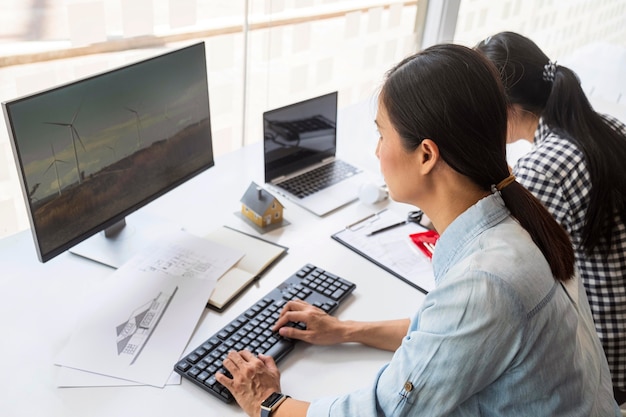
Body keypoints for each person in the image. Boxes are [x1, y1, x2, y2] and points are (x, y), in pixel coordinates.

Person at [215, 44, 620, 416]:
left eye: (381, 134)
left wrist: (266, 402)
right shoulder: (513, 223)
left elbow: (385, 411)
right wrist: (347, 330)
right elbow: (449, 339)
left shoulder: (484, 280)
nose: (376, 151)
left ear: (426, 155)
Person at [475, 31, 626, 405]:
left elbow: (521, 279)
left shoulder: (541, 169)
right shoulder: (610, 127)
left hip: (606, 359)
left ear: (506, 109)